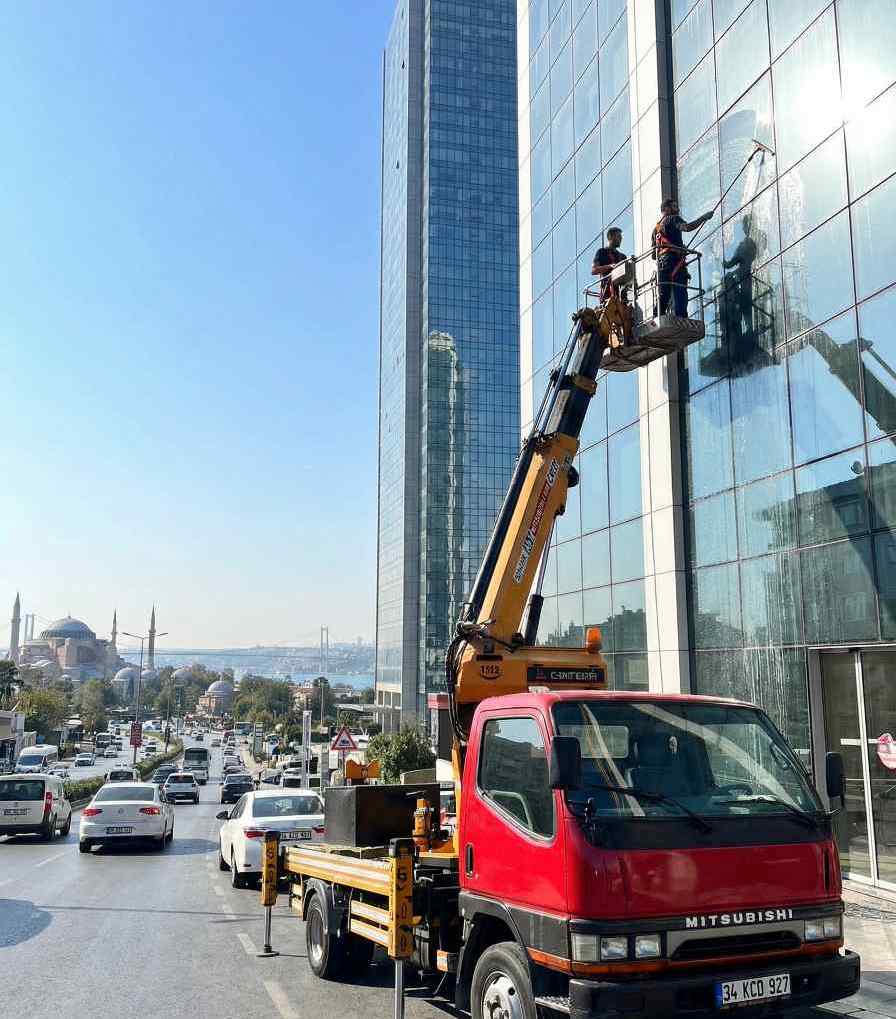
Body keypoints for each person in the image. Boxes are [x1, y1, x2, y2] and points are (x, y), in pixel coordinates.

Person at [652, 198, 713, 317]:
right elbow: (687, 227)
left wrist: (675, 248)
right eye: (675, 207)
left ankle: (657, 318)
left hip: (662, 267)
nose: (678, 209)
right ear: (666, 209)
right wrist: (704, 217)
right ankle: (682, 319)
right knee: (680, 294)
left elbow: (654, 255)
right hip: (675, 263)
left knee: (663, 297)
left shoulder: (655, 230)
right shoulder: (673, 218)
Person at [591, 226, 627, 302]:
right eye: (618, 236)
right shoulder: (602, 252)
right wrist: (609, 266)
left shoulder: (622, 257)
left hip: (621, 295)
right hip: (608, 294)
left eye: (621, 237)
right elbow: (594, 270)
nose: (621, 239)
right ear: (610, 237)